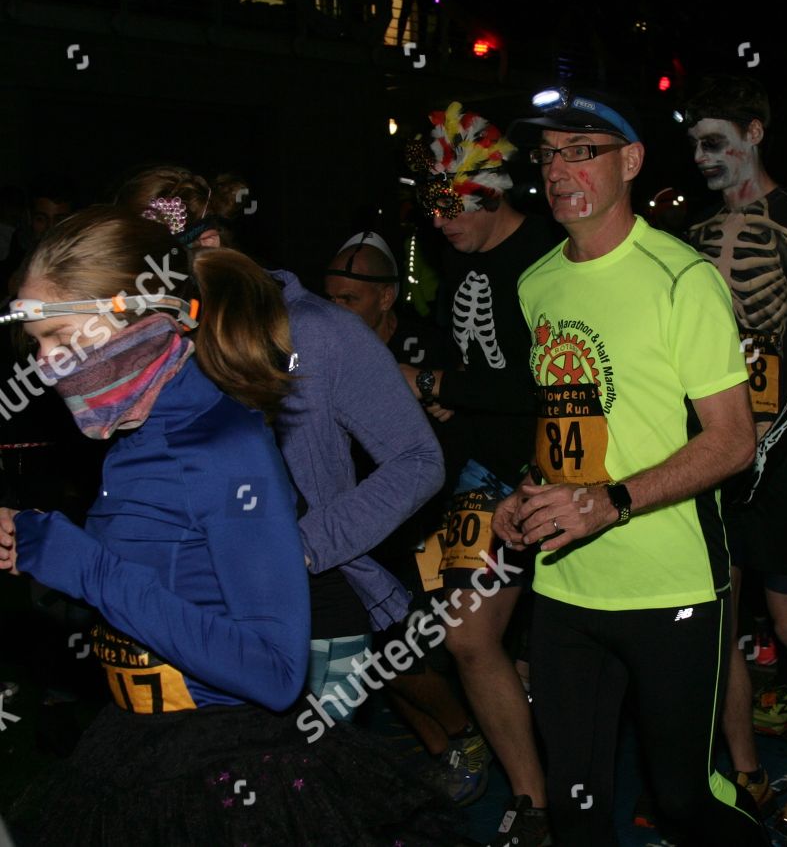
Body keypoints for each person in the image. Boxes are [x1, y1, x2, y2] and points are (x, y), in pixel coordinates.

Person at [0, 207, 454, 845]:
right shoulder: (130, 437)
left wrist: (82, 565)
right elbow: (153, 592)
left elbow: (273, 672)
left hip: (224, 766)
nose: (44, 366)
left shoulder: (222, 447)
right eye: (37, 344)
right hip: (135, 740)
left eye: (60, 338)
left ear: (140, 319)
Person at [494, 83, 769, 846]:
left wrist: (610, 501)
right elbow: (570, 419)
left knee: (681, 801)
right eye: (549, 156)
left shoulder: (684, 280)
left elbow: (733, 440)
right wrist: (526, 493)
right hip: (566, 585)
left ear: (632, 162)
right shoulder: (536, 283)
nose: (559, 171)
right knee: (576, 808)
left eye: (583, 153)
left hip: (670, 585)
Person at [115, 167, 446, 731]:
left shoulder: (316, 331)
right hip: (191, 598)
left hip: (312, 603)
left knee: (310, 795)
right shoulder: (147, 334)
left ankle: (457, 735)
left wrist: (301, 548)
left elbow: (419, 459)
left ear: (210, 245)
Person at [683, 76, 787, 812]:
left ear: (753, 134)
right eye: (692, 143)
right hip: (717, 454)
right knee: (718, 616)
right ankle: (745, 773)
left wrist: (770, 444)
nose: (701, 155)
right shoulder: (692, 233)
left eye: (714, 141)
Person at [400, 101, 557, 841]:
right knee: (464, 637)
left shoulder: (549, 259)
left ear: (489, 190)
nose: (437, 223)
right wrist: (441, 389)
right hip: (480, 475)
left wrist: (439, 388)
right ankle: (531, 802)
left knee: (573, 643)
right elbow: (464, 352)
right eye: (428, 205)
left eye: (448, 204)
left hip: (558, 472)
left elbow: (550, 381)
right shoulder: (455, 255)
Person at [323, 230, 493, 806]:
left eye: (350, 299)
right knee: (371, 653)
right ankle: (446, 747)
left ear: (387, 297)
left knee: (402, 653)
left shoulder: (429, 347)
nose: (335, 310)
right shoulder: (322, 347)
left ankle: (470, 735)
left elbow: (462, 433)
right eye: (331, 297)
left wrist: (433, 398)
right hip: (350, 518)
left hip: (424, 523)